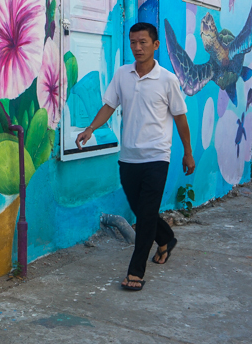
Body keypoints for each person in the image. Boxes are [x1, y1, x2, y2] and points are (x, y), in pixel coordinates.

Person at [75, 21, 194, 292]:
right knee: (143, 213)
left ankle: (136, 271)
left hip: (157, 156)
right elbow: (109, 105)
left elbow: (180, 118)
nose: (137, 47)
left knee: (146, 213)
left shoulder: (167, 79)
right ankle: (166, 239)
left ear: (155, 45)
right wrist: (90, 128)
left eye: (143, 42)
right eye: (133, 42)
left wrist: (187, 153)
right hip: (128, 157)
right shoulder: (122, 74)